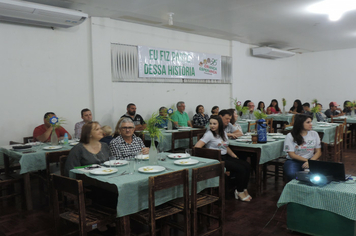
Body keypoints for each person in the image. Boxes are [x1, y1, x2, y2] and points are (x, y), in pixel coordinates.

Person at [194, 115, 251, 201]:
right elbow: (197, 147)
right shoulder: (208, 134)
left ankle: (244, 188)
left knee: (247, 165)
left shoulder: (223, 133)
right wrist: (210, 154)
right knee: (241, 169)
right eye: (210, 124)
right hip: (216, 159)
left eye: (214, 124)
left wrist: (235, 157)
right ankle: (239, 191)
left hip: (225, 156)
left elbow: (226, 147)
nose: (212, 125)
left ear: (219, 124)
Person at [283, 114, 321, 182]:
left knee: (317, 176)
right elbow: (292, 154)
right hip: (294, 161)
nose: (311, 124)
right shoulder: (290, 136)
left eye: (311, 122)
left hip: (311, 160)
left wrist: (311, 161)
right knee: (292, 174)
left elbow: (318, 151)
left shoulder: (314, 134)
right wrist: (307, 161)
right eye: (308, 122)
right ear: (300, 123)